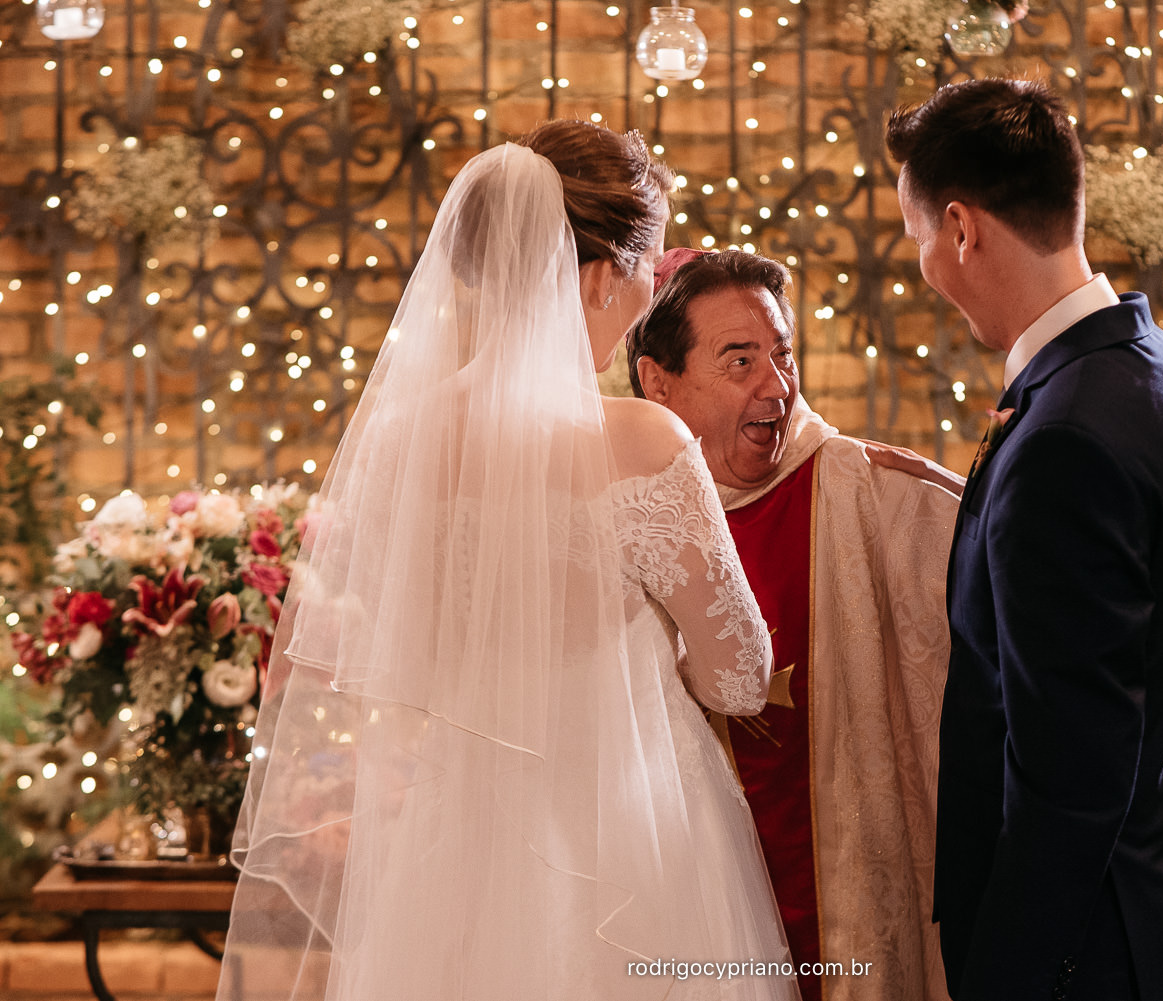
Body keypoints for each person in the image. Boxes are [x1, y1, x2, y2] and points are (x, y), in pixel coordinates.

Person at [217, 124, 797, 1001]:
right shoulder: (643, 441)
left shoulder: (406, 440)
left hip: (453, 848)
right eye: (649, 262)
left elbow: (391, 647)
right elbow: (743, 675)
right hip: (630, 841)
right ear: (601, 276)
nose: (652, 282)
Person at [887, 78, 1163, 1001]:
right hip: (1152, 894)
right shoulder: (1162, 368)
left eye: (919, 235)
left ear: (961, 229)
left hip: (1084, 950)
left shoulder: (1063, 438)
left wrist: (1006, 975)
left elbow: (1068, 777)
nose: (923, 262)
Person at [629, 248, 960, 1001]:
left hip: (850, 919)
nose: (776, 386)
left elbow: (1027, 569)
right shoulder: (622, 510)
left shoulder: (867, 490)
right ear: (658, 380)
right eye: (740, 361)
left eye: (782, 355)